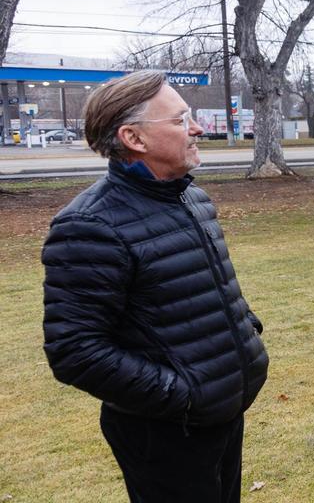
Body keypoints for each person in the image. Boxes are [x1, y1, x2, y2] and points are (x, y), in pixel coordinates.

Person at [42, 70, 269, 502]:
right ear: (134, 138)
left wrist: (244, 333)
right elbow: (74, 351)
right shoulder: (89, 225)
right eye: (181, 120)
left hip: (222, 412)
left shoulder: (190, 198)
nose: (198, 128)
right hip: (166, 430)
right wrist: (183, 395)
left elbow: (206, 291)